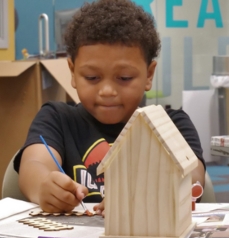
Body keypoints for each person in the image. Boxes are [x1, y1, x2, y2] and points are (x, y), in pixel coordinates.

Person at [14, 0, 205, 216]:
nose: (107, 90)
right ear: (73, 71)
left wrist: (150, 192)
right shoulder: (57, 118)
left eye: (124, 78)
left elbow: (194, 175)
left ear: (149, 75)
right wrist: (43, 186)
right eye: (92, 77)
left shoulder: (172, 124)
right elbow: (34, 164)